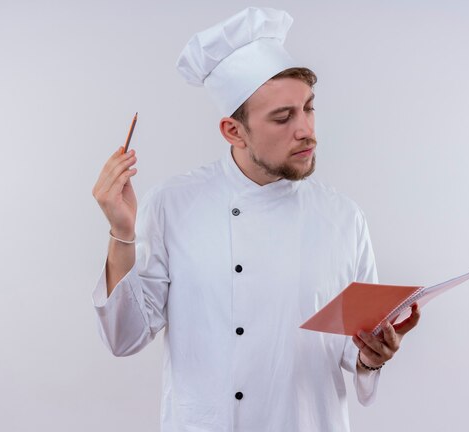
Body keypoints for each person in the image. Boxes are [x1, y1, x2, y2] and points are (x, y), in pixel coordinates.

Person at [91, 7, 420, 432]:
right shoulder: (173, 204)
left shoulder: (343, 217)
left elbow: (350, 348)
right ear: (233, 131)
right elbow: (123, 338)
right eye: (283, 118)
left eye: (309, 109)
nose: (306, 130)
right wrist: (122, 232)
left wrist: (371, 354)